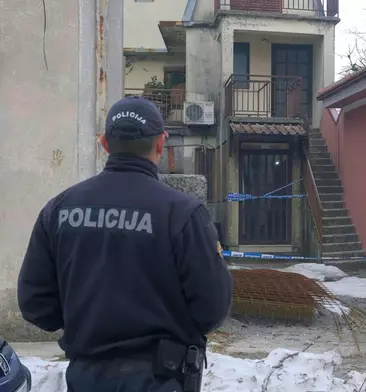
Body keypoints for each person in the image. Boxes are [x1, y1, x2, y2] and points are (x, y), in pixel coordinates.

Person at [17, 96, 232, 392]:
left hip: (86, 377)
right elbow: (212, 308)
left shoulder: (59, 210)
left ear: (104, 144)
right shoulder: (182, 213)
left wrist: (86, 321)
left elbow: (35, 304)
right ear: (160, 143)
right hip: (162, 379)